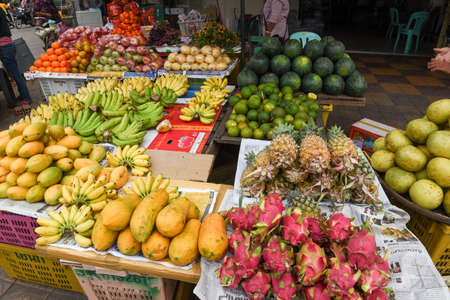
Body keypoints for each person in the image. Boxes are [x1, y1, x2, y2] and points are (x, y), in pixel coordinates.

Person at [0, 8, 32, 115]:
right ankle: (23, 95)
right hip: (6, 45)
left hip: (4, 46)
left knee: (15, 74)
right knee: (14, 73)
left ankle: (26, 98)